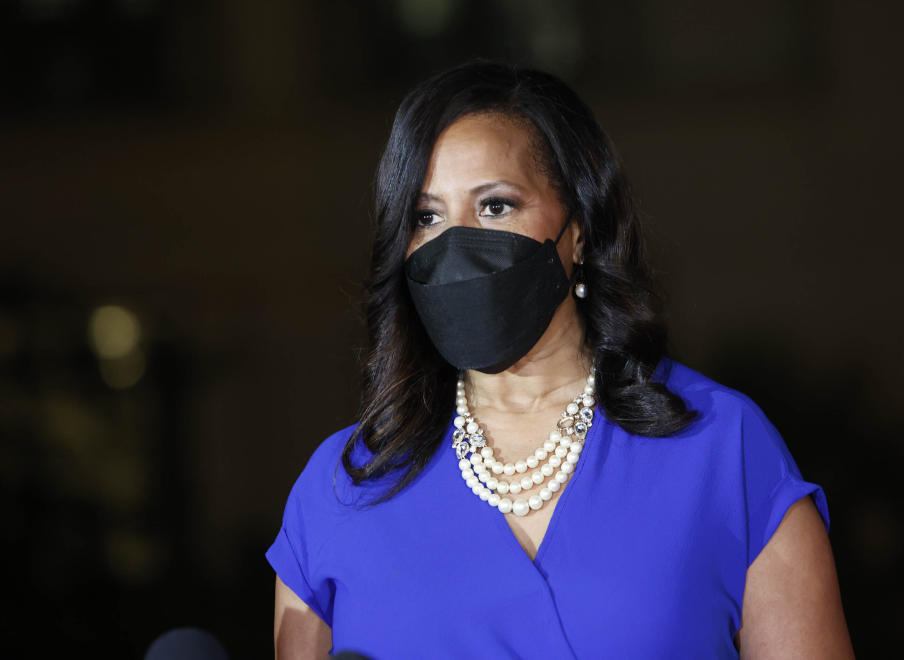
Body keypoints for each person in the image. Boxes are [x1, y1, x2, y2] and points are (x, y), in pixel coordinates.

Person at [267, 60, 854, 659]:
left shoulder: (724, 450)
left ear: (577, 228)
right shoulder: (340, 491)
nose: (456, 245)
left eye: (495, 206)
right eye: (427, 217)